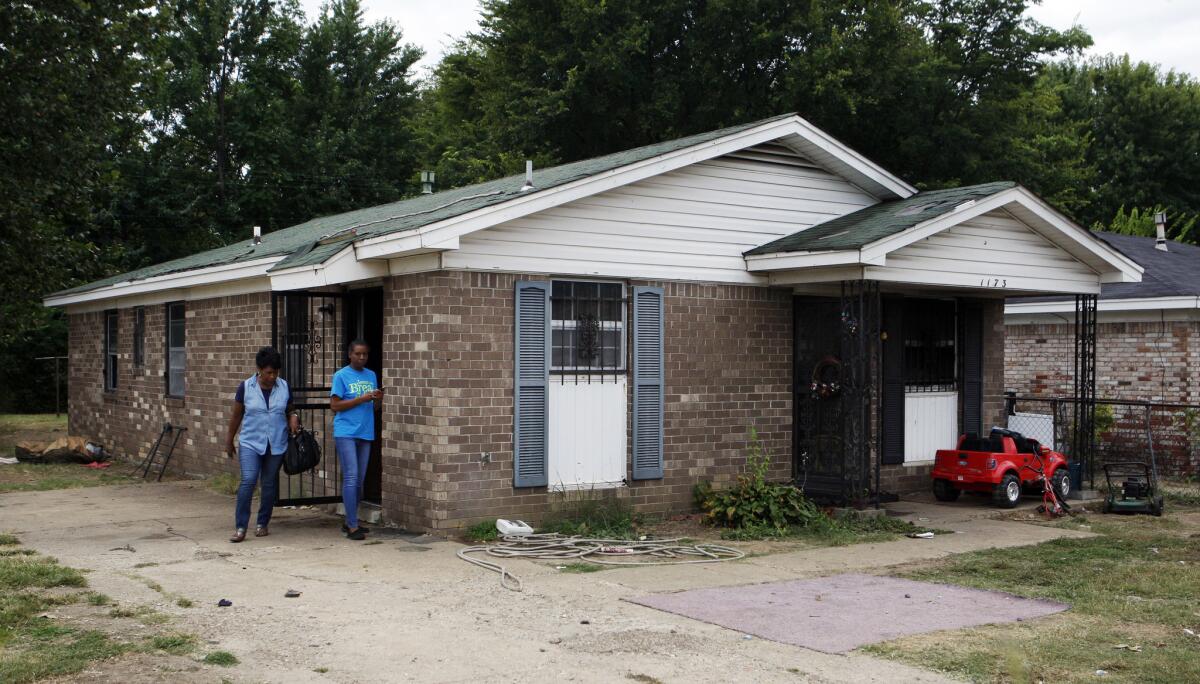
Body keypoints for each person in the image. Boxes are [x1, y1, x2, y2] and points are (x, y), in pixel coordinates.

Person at [224, 346, 300, 543]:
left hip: (276, 442)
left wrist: (293, 416)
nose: (272, 376)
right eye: (268, 372)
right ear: (259, 369)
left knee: (268, 484)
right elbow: (236, 415)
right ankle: (241, 527)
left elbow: (290, 408)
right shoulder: (245, 387)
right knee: (248, 480)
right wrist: (229, 439)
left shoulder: (284, 387)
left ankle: (262, 523)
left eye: (275, 372)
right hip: (250, 442)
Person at [331, 339, 383, 541]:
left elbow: (375, 408)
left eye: (365, 354)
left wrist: (377, 398)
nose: (362, 357)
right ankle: (352, 526)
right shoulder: (341, 375)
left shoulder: (371, 375)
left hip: (365, 432)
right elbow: (334, 406)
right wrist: (361, 399)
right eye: (358, 354)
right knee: (351, 476)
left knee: (359, 480)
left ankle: (351, 520)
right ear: (350, 354)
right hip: (346, 432)